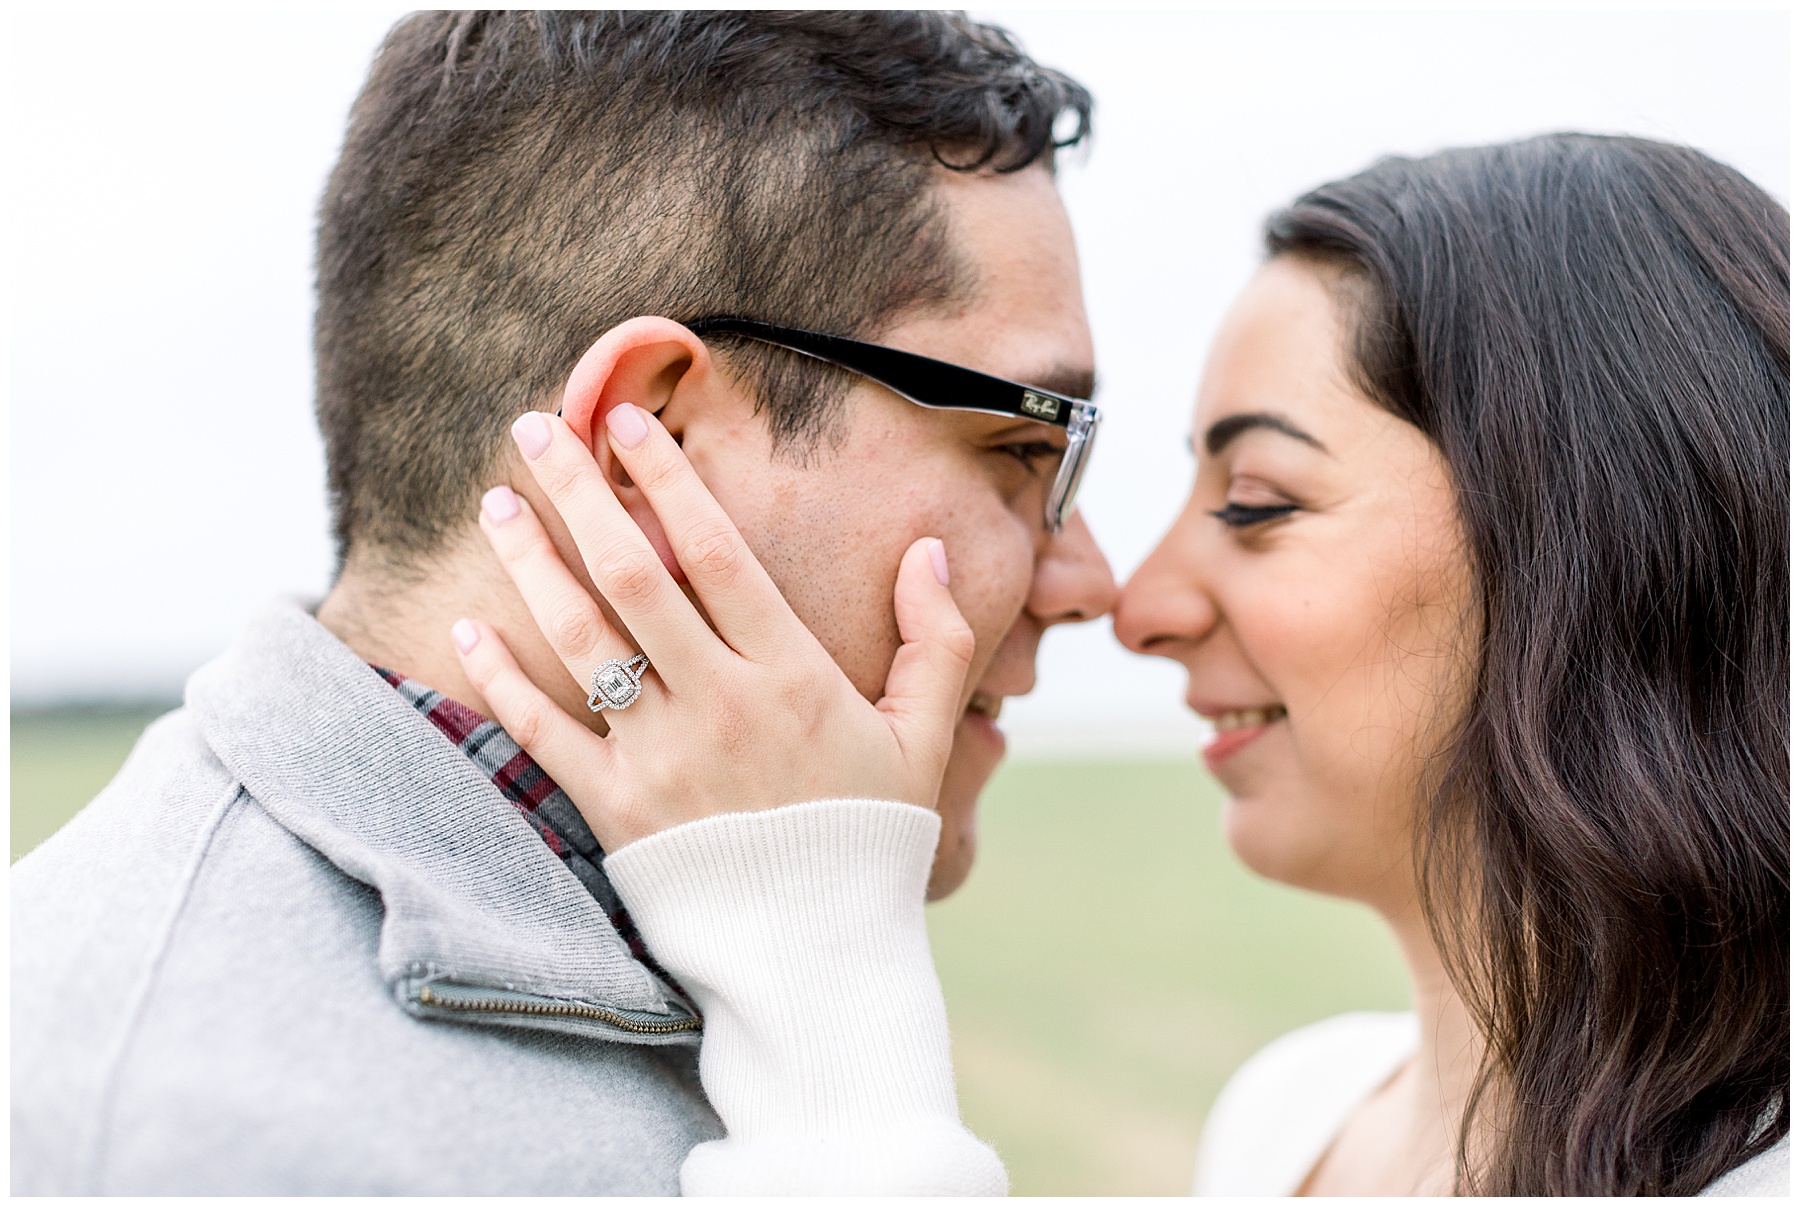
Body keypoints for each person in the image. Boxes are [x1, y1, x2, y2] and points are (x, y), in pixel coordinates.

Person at [469, 133, 1788, 1196]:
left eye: (1260, 500)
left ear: (1590, 551)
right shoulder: (1291, 1119)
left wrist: (817, 961)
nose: (1138, 600)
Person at [9, 11, 1114, 1195]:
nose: (1095, 581)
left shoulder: (714, 934)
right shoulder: (189, 1142)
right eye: (1018, 445)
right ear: (648, 447)